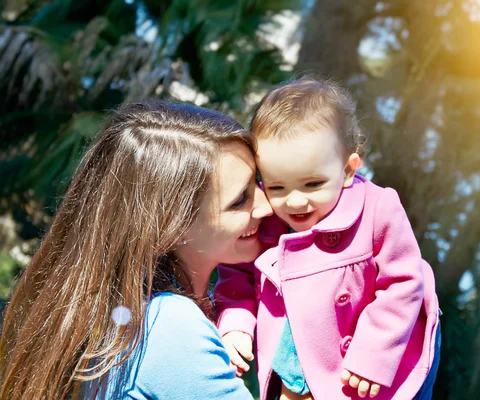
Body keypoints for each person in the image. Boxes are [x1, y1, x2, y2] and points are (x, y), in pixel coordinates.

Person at [0, 101, 273, 399]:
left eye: (259, 183)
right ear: (171, 223)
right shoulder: (168, 325)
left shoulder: (123, 313)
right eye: (239, 201)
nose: (267, 205)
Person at [216, 79, 441, 400]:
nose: (294, 201)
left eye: (312, 184)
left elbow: (403, 282)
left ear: (348, 170)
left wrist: (374, 353)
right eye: (277, 187)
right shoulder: (265, 216)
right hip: (292, 359)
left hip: (364, 363)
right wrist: (236, 323)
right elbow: (237, 273)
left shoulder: (376, 208)